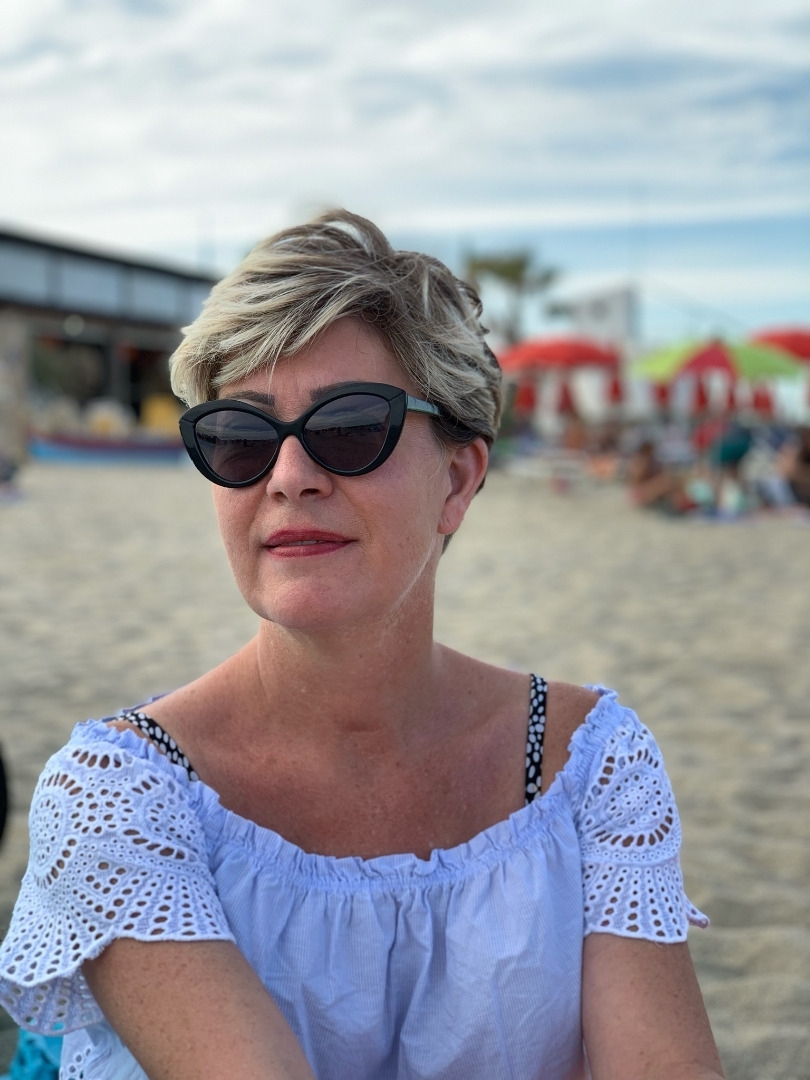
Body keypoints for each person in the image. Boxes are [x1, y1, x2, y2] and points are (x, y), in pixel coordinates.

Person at [0, 211, 725, 1080]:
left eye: (347, 427)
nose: (289, 476)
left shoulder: (590, 768)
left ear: (457, 478)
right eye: (240, 438)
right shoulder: (121, 800)